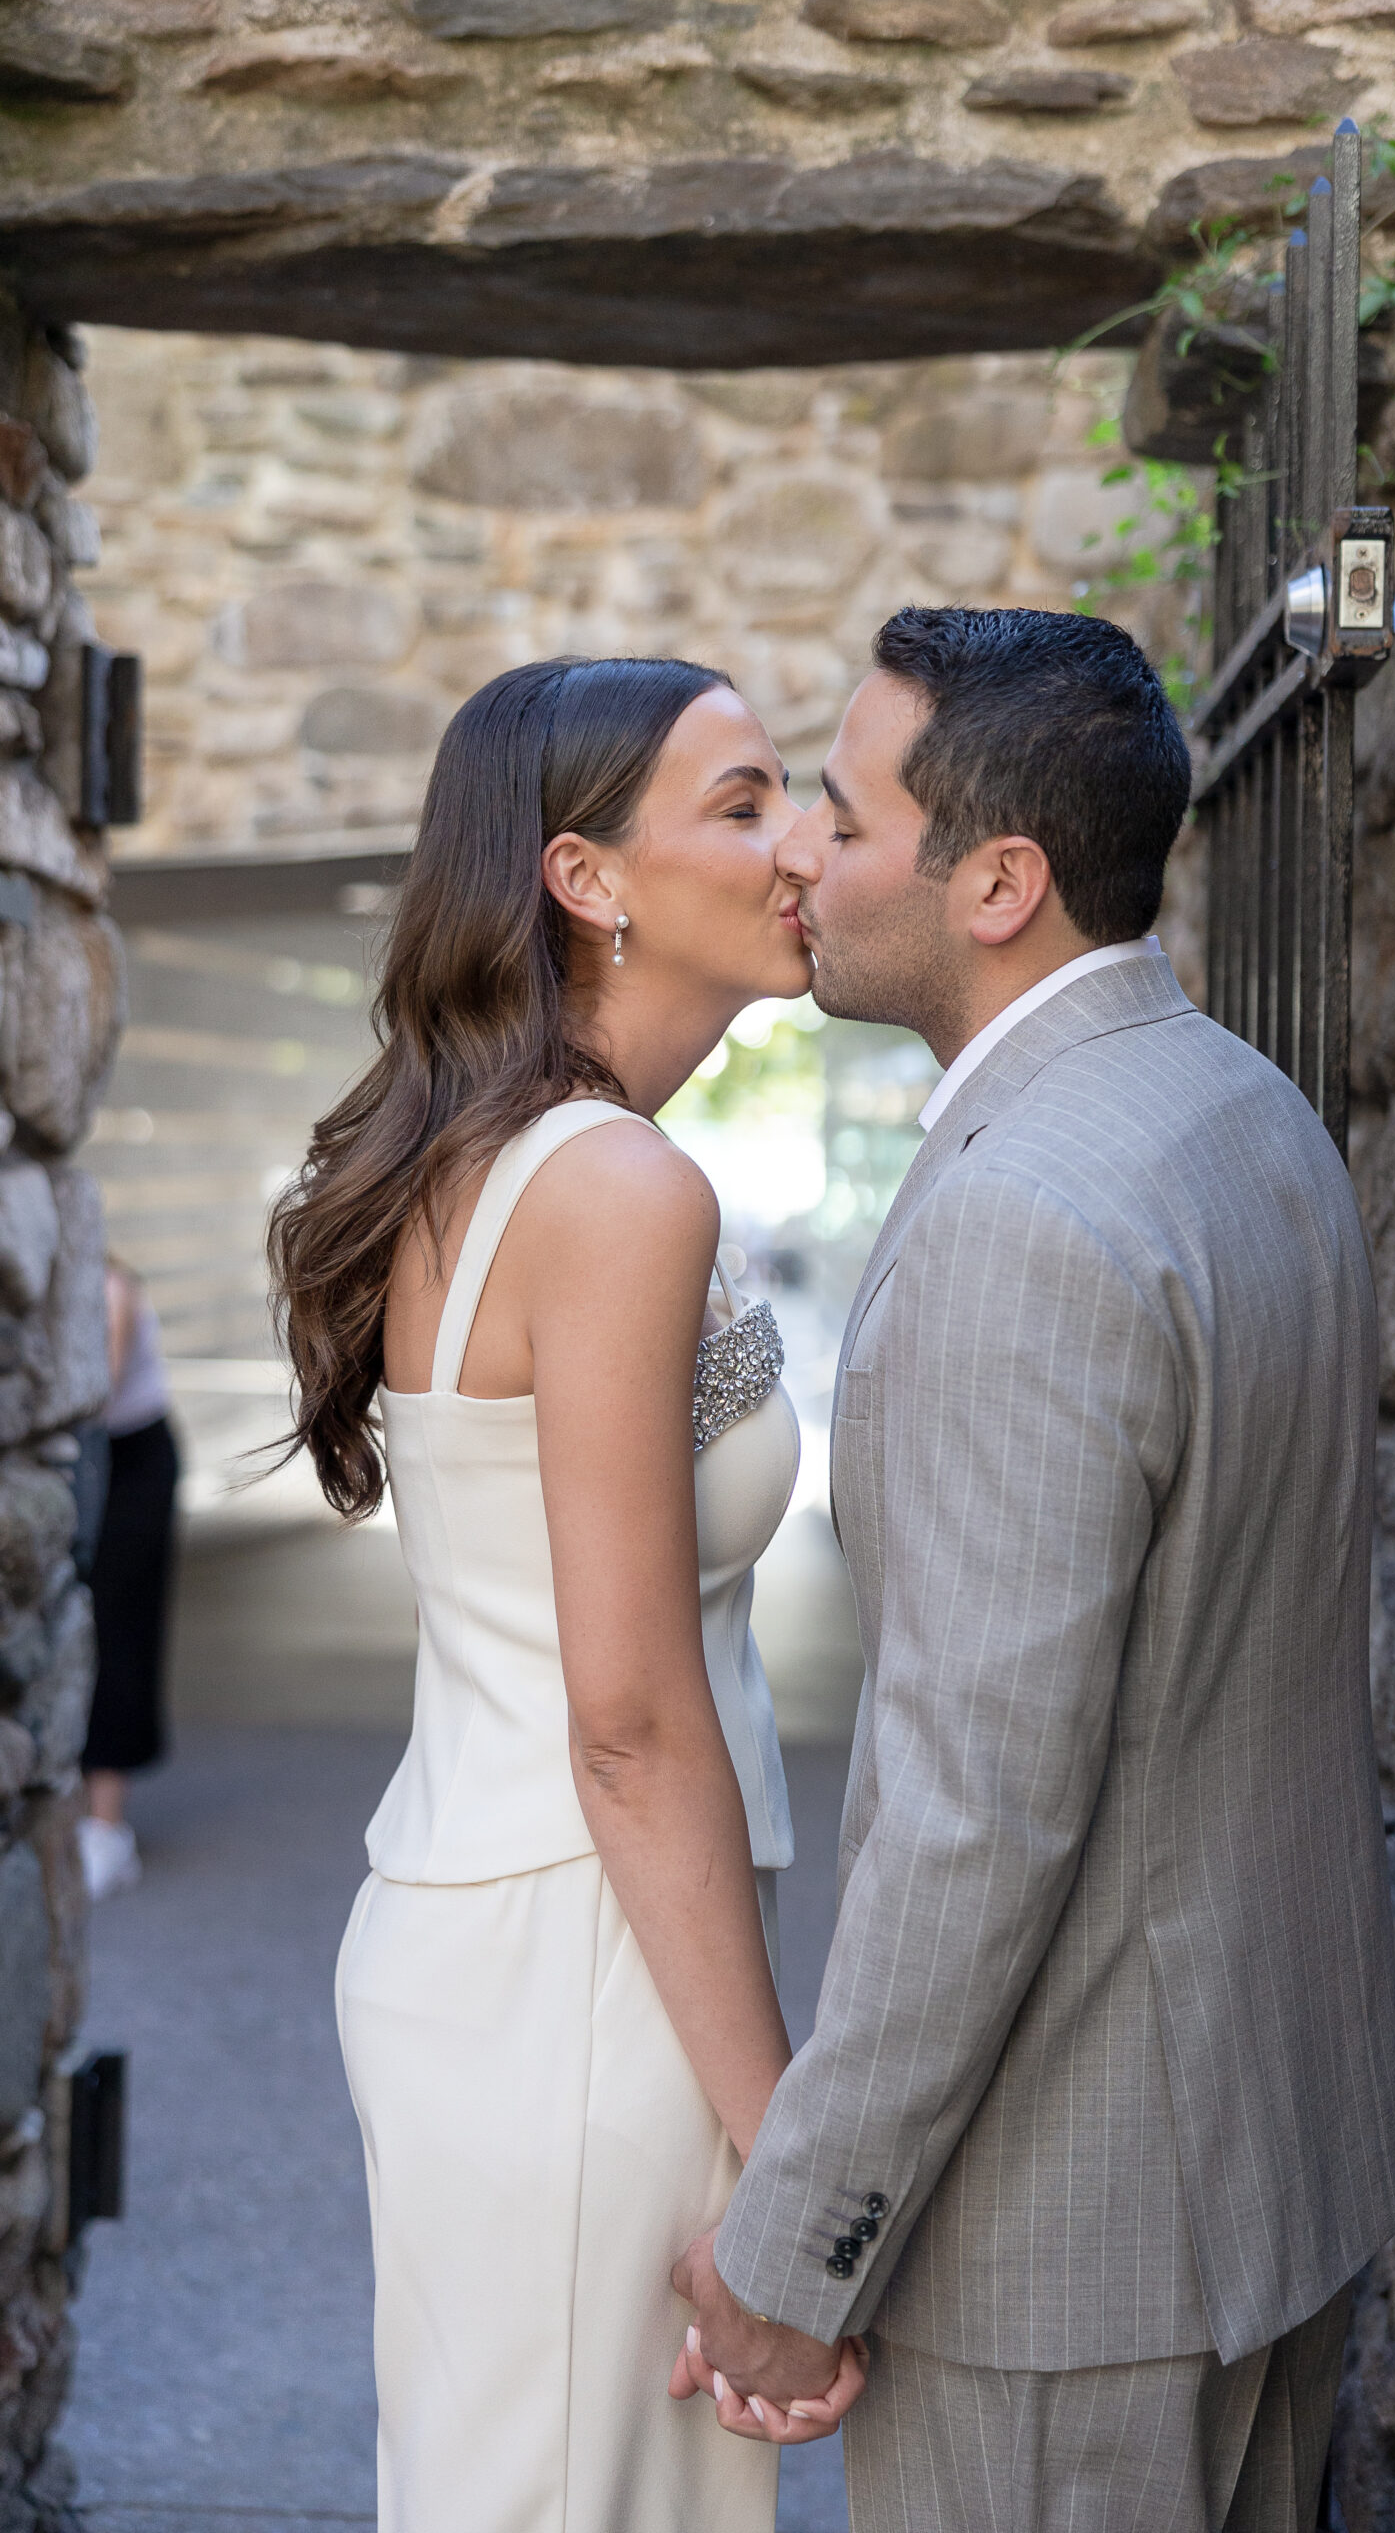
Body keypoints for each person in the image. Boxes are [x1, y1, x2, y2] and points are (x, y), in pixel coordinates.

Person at [671, 607, 1395, 2532]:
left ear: (996, 881)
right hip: (1274, 2164)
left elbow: (976, 1809)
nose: (800, 861)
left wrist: (797, 2246)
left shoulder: (1023, 1208)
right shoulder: (1243, 1112)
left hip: (1067, 2249)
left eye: (841, 818)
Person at [266, 660, 865, 2533]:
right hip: (585, 1973)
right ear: (587, 880)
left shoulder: (499, 1158)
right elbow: (624, 1721)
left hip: (515, 1944)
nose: (805, 849)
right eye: (749, 801)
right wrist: (795, 2169)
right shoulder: (611, 1186)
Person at [80, 1259, 180, 1902]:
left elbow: (99, 1389)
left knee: (118, 1629)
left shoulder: (109, 1286)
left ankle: (105, 1831)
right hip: (81, 1462)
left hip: (131, 1463)